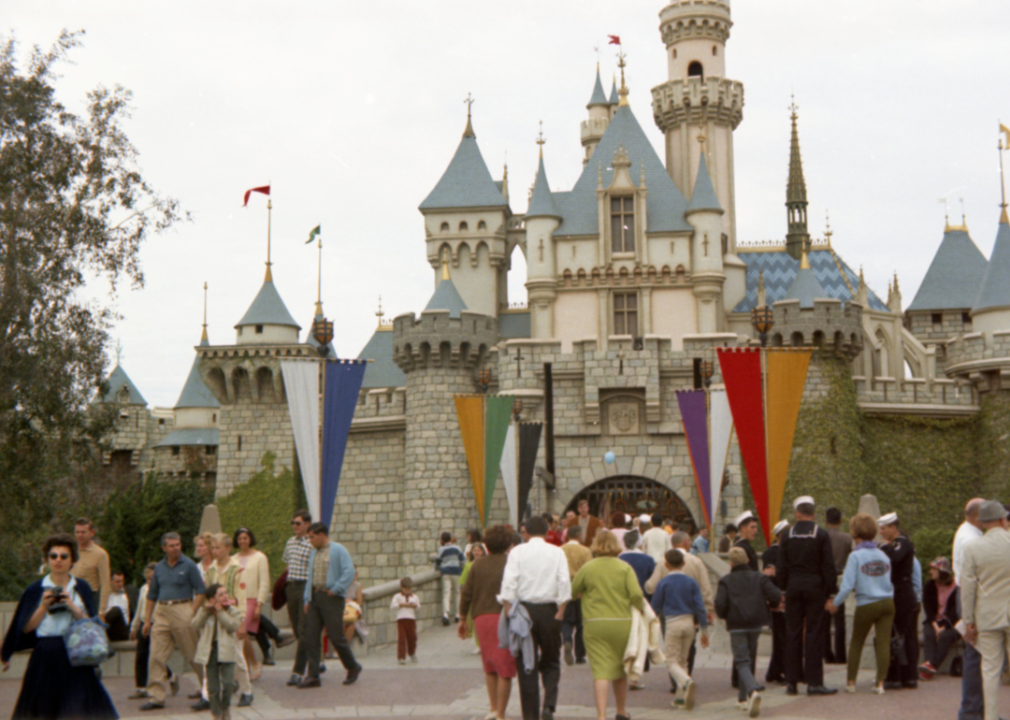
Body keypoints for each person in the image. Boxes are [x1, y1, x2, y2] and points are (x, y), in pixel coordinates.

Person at [1, 533, 119, 720]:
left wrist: (73, 607)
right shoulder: (35, 589)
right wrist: (43, 607)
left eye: (64, 556)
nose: (58, 560)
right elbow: (24, 628)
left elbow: (90, 622)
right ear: (47, 559)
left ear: (72, 559)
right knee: (44, 710)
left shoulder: (82, 587)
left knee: (79, 708)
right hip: (45, 654)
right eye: (53, 556)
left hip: (74, 654)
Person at [499, 515, 571, 720]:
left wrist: (508, 612)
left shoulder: (517, 552)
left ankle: (530, 715)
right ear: (548, 531)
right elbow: (564, 582)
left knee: (525, 663)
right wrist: (561, 611)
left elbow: (509, 584)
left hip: (524, 611)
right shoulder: (557, 552)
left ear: (526, 532)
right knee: (551, 660)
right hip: (549, 610)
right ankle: (549, 704)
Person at [571, 530, 644, 720]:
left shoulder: (588, 568)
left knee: (601, 670)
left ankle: (601, 715)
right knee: (620, 669)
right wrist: (641, 610)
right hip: (621, 623)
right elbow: (636, 594)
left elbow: (572, 592)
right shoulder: (625, 567)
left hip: (595, 624)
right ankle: (621, 711)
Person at [826, 512, 894, 695]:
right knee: (883, 644)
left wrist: (835, 603)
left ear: (854, 533)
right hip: (887, 602)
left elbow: (847, 586)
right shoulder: (883, 555)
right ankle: (880, 683)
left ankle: (851, 682)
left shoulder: (855, 556)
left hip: (867, 603)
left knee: (857, 642)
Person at [139, 532, 206, 710]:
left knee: (193, 654)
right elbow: (151, 595)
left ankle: (209, 690)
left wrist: (191, 612)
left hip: (183, 608)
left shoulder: (189, 565)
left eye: (178, 544)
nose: (176, 548)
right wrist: (147, 620)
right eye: (172, 545)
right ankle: (156, 697)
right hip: (161, 612)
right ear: (164, 548)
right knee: (155, 656)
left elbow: (201, 590)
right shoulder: (159, 567)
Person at [779, 496, 838, 696]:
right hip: (814, 587)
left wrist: (783, 590)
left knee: (793, 632)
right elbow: (828, 566)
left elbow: (782, 566)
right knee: (814, 633)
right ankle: (814, 682)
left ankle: (792, 682)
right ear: (813, 515)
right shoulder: (820, 535)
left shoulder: (787, 535)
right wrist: (831, 591)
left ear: (797, 514)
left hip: (793, 586)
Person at [459, 524, 517, 720]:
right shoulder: (512, 562)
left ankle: (492, 708)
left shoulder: (478, 564)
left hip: (481, 618)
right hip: (505, 617)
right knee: (505, 668)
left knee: (490, 665)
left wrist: (461, 619)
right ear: (509, 543)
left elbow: (466, 594)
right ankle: (501, 713)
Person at [716, 546, 782, 718]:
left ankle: (752, 692)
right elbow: (775, 595)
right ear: (747, 560)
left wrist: (725, 616)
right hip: (756, 623)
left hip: (736, 624)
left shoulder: (725, 580)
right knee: (749, 659)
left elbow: (720, 605)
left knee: (741, 661)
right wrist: (770, 606)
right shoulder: (760, 577)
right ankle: (742, 699)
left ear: (730, 563)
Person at [296, 522, 363, 688]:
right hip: (314, 597)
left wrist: (336, 588)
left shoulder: (338, 549)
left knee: (336, 636)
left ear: (321, 535)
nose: (310, 541)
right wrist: (307, 598)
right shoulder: (313, 553)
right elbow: (309, 577)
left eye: (312, 537)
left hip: (331, 598)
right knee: (311, 636)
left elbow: (349, 572)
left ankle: (352, 666)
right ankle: (313, 676)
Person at [960, 499, 1010, 720]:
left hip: (987, 616)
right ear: (1002, 519)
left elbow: (968, 588)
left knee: (989, 669)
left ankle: (990, 716)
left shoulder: (972, 548)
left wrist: (969, 620)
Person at [652, 549, 709, 710]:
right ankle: (680, 698)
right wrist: (704, 630)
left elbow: (655, 607)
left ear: (666, 564)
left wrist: (648, 624)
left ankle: (686, 681)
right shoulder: (691, 582)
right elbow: (700, 607)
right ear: (684, 564)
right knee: (683, 660)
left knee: (671, 661)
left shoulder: (663, 583)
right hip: (690, 623)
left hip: (672, 623)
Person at [202, 533, 254, 709]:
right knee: (210, 656)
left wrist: (241, 624)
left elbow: (241, 597)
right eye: (213, 547)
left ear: (227, 549)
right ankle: (207, 695)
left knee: (237, 657)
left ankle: (247, 691)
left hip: (230, 618)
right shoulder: (211, 570)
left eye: (217, 548)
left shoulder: (237, 569)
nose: (214, 551)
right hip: (215, 618)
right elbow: (207, 595)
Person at [234, 527, 291, 670]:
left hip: (252, 600)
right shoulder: (233, 559)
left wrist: (259, 603)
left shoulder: (260, 557)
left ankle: (252, 664)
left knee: (243, 631)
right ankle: (273, 641)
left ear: (250, 539)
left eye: (245, 538)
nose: (242, 541)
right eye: (240, 538)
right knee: (254, 627)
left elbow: (264, 582)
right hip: (238, 601)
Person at [878, 512, 919, 690]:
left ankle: (902, 675)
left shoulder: (902, 542)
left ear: (893, 528)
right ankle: (904, 675)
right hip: (898, 592)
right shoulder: (897, 543)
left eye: (884, 528)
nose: (881, 532)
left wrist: (884, 547)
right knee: (901, 635)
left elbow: (894, 558)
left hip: (901, 593)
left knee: (901, 636)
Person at [954, 498, 985, 720]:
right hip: (969, 597)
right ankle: (972, 710)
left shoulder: (967, 533)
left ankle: (975, 709)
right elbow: (969, 579)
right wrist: (969, 617)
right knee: (975, 654)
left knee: (976, 654)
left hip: (967, 595)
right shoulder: (970, 540)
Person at [192, 583, 243, 720]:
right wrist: (204, 611)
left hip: (226, 650)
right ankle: (216, 713)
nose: (225, 596)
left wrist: (220, 611)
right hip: (210, 652)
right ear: (212, 600)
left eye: (226, 593)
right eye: (221, 595)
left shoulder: (232, 610)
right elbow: (195, 625)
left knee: (229, 682)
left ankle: (225, 706)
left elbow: (232, 626)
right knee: (212, 687)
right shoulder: (206, 612)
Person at [129, 562, 169, 700]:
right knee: (141, 656)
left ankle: (170, 675)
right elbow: (139, 609)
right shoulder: (143, 589)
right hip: (143, 623)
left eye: (152, 578)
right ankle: (141, 687)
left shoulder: (164, 590)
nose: (150, 582)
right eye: (147, 579)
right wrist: (134, 627)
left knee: (155, 656)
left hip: (157, 624)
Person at [283, 509, 313, 687]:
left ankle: (297, 671)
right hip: (291, 587)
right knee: (296, 628)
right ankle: (317, 660)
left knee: (303, 631)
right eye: (293, 523)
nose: (294, 526)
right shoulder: (290, 542)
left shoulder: (311, 543)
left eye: (298, 523)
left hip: (305, 588)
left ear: (307, 525)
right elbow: (287, 564)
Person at [919, 556, 960, 679]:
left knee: (945, 637)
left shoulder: (956, 587)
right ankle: (929, 667)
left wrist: (944, 627)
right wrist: (935, 625)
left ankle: (930, 667)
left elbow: (956, 612)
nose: (930, 572)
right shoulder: (929, 585)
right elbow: (928, 608)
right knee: (929, 634)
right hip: (934, 621)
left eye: (934, 569)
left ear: (941, 572)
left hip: (952, 623)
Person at [760, 520, 789, 685]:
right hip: (778, 598)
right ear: (780, 536)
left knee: (780, 636)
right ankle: (781, 671)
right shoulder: (772, 553)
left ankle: (774, 671)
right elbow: (769, 576)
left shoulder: (778, 551)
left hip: (779, 597)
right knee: (781, 636)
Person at [561, 525, 593, 667]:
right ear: (580, 536)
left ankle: (567, 639)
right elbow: (589, 571)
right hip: (580, 589)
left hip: (565, 588)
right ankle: (580, 655)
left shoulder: (560, 549)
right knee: (581, 623)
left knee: (566, 620)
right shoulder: (585, 551)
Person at [823, 507, 852, 665]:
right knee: (840, 620)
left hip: (823, 580)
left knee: (824, 620)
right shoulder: (847, 538)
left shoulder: (821, 536)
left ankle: (827, 654)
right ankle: (841, 655)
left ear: (826, 521)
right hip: (840, 578)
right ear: (840, 521)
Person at [71, 517, 112, 619]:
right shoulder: (70, 552)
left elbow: (106, 585)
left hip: (90, 599)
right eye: (77, 532)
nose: (80, 535)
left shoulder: (100, 554)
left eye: (83, 532)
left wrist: (102, 611)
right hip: (71, 597)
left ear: (92, 532)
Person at [435, 531, 465, 626]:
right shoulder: (457, 548)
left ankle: (445, 614)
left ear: (442, 540)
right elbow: (463, 561)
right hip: (456, 572)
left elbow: (436, 563)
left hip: (446, 572)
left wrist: (437, 568)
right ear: (451, 538)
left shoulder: (441, 549)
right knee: (457, 593)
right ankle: (457, 614)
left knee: (446, 593)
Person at [390, 577, 420, 664]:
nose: (407, 591)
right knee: (402, 638)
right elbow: (392, 606)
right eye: (405, 589)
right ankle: (401, 657)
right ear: (402, 588)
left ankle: (412, 653)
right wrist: (400, 604)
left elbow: (418, 607)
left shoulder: (414, 597)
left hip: (411, 619)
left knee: (412, 637)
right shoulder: (397, 596)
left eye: (409, 589)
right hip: (401, 619)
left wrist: (414, 606)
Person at [618, 530, 656, 596]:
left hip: (623, 596)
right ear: (640, 543)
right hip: (643, 596)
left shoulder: (619, 559)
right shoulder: (648, 560)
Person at [105, 570, 138, 642]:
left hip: (122, 630)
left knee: (116, 610)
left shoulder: (130, 593)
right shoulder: (104, 595)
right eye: (117, 582)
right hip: (107, 629)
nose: (120, 584)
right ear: (110, 582)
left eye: (122, 581)